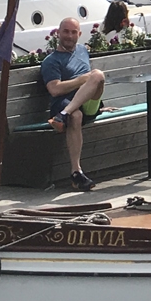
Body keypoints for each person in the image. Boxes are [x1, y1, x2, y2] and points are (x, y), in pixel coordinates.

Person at [41, 17, 104, 192]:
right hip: (63, 102)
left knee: (98, 76)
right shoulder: (51, 61)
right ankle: (76, 172)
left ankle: (64, 114)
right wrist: (80, 80)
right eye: (66, 32)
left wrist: (86, 81)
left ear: (79, 34)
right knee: (76, 116)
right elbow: (54, 89)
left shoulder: (83, 50)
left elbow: (91, 83)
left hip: (85, 102)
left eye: (73, 32)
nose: (69, 36)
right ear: (58, 33)